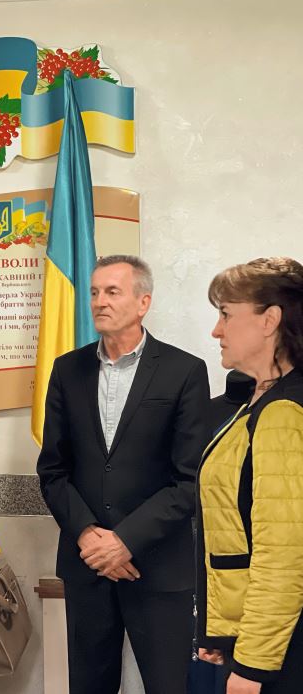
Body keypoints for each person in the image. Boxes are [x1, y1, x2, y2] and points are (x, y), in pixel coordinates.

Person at [37, 255, 211, 694]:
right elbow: (53, 470)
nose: (100, 301)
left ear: (143, 302)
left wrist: (124, 541)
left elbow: (190, 479)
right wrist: (88, 536)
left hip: (158, 565)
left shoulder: (184, 371)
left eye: (112, 292)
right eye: (95, 292)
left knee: (168, 686)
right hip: (87, 565)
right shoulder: (67, 370)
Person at [196, 257, 303, 694]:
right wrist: (225, 632)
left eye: (225, 314)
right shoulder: (259, 402)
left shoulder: (283, 412)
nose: (216, 330)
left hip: (280, 654)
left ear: (269, 320)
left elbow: (283, 555)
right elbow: (239, 529)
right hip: (262, 639)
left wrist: (253, 666)